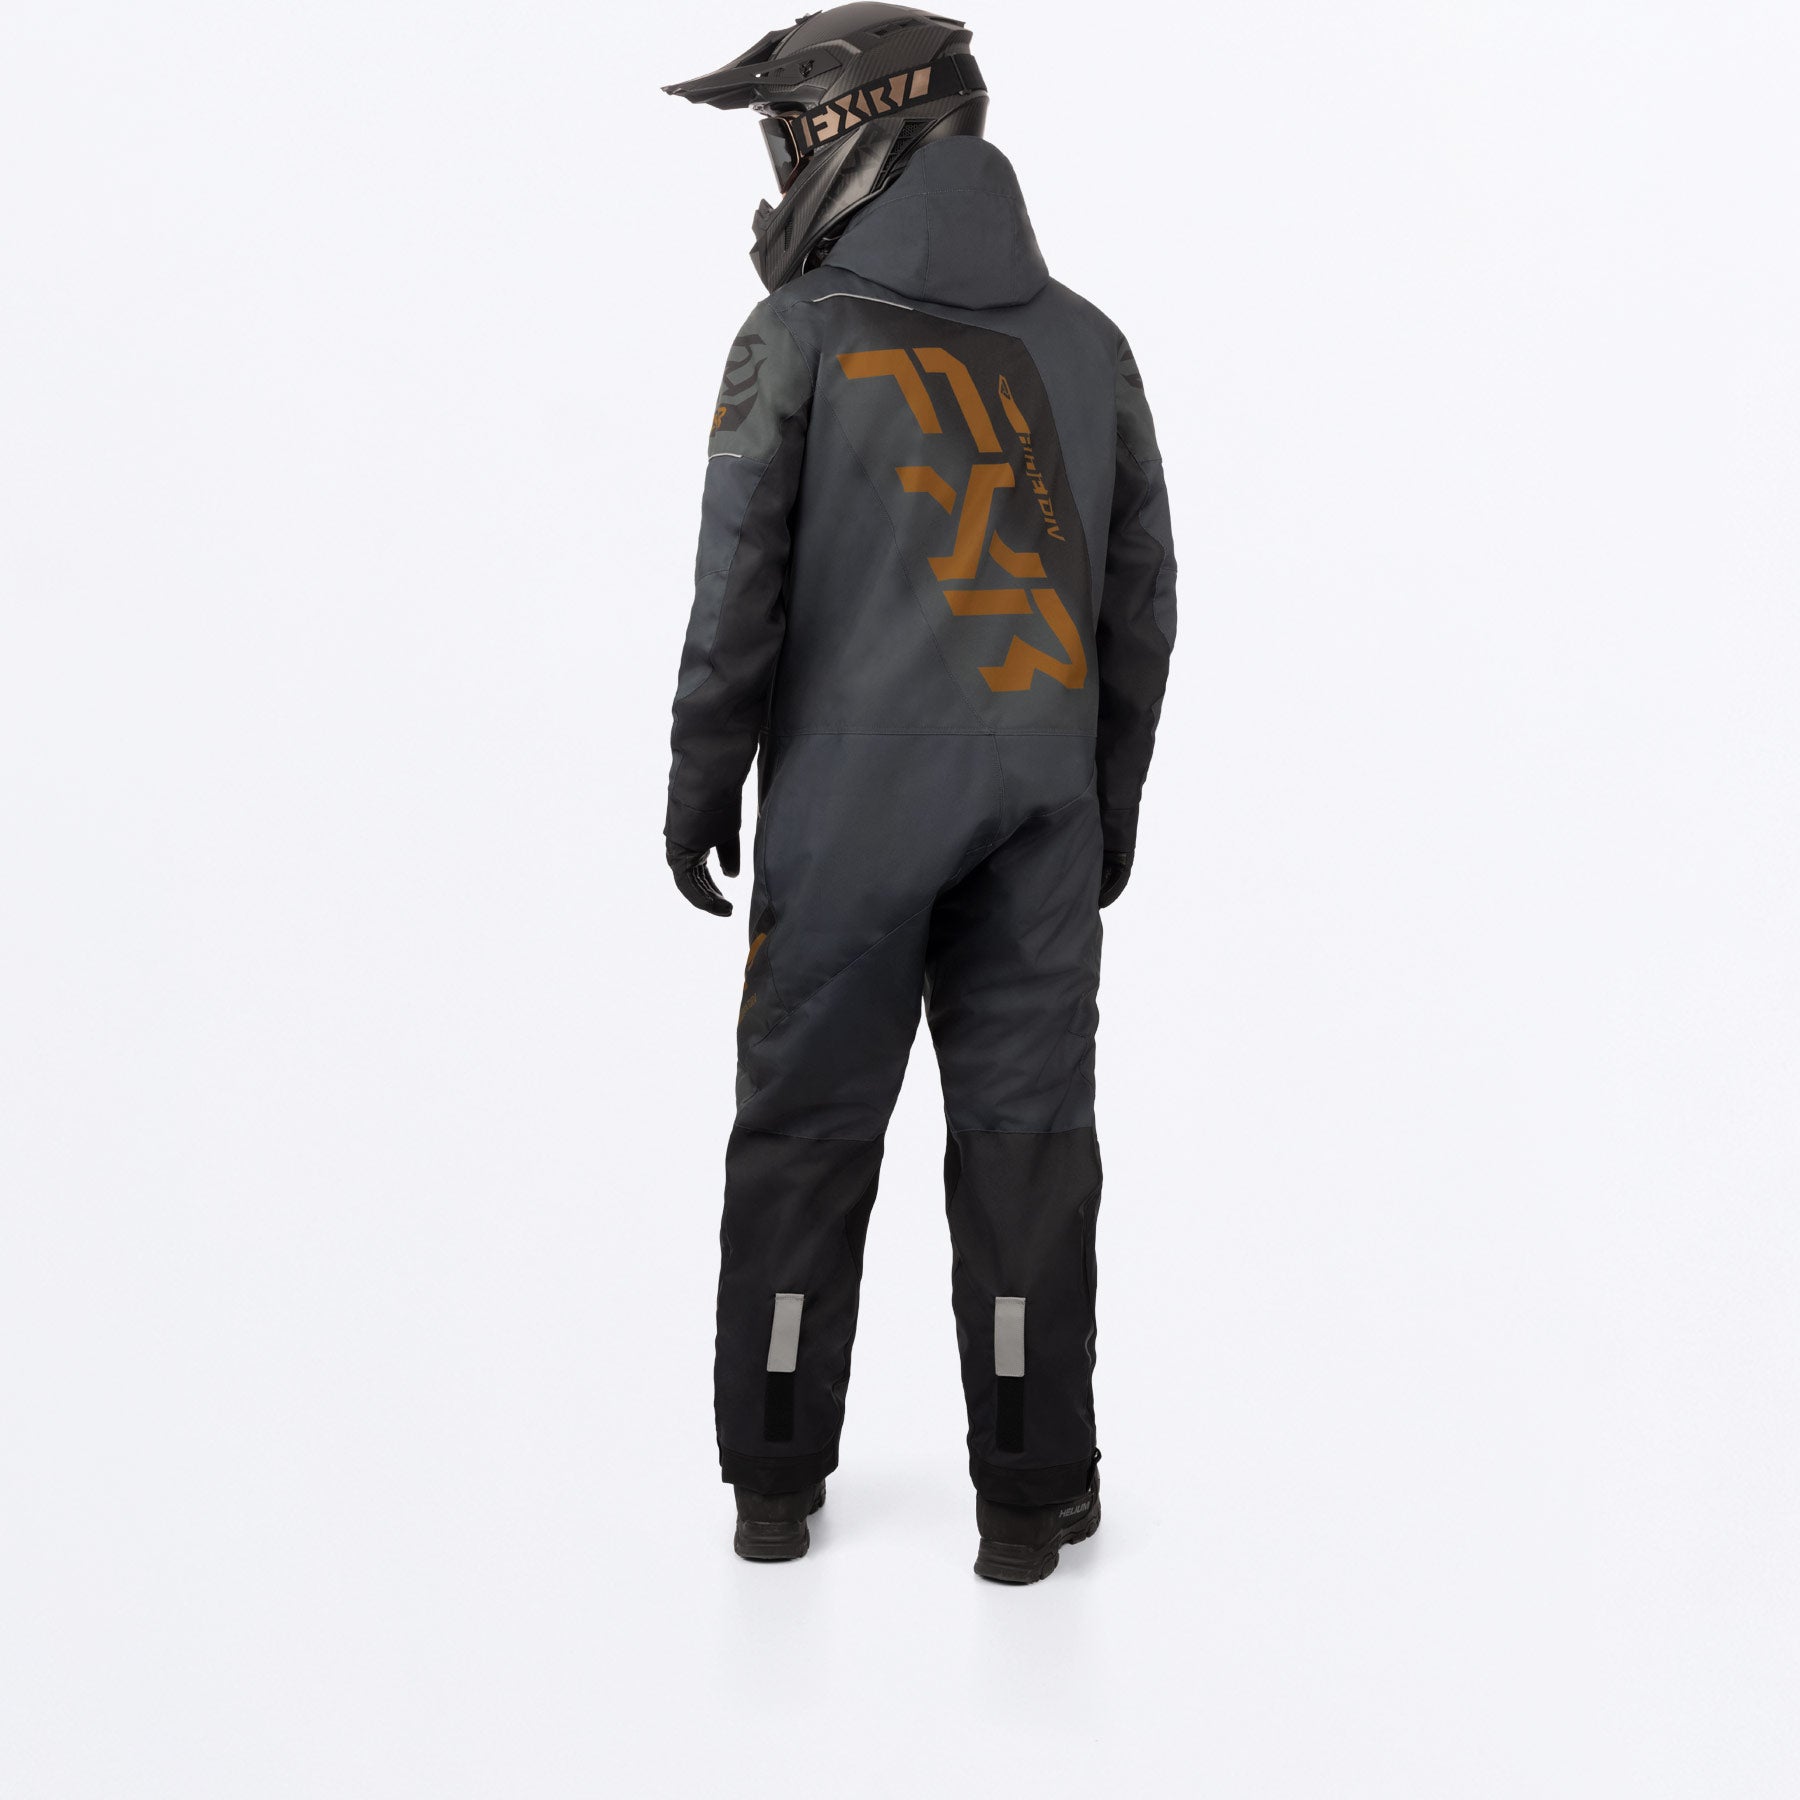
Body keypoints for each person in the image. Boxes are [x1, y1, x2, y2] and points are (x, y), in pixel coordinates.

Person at [662, 3, 1177, 1583]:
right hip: (1042, 819)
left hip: (847, 828)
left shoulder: (799, 335)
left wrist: (700, 779)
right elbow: (1142, 602)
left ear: (856, 131)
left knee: (807, 1136)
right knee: (1030, 1147)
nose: (775, 173)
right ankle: (1029, 1501)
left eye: (784, 137)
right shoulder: (1087, 344)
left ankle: (774, 1489)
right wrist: (1107, 802)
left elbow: (737, 591)